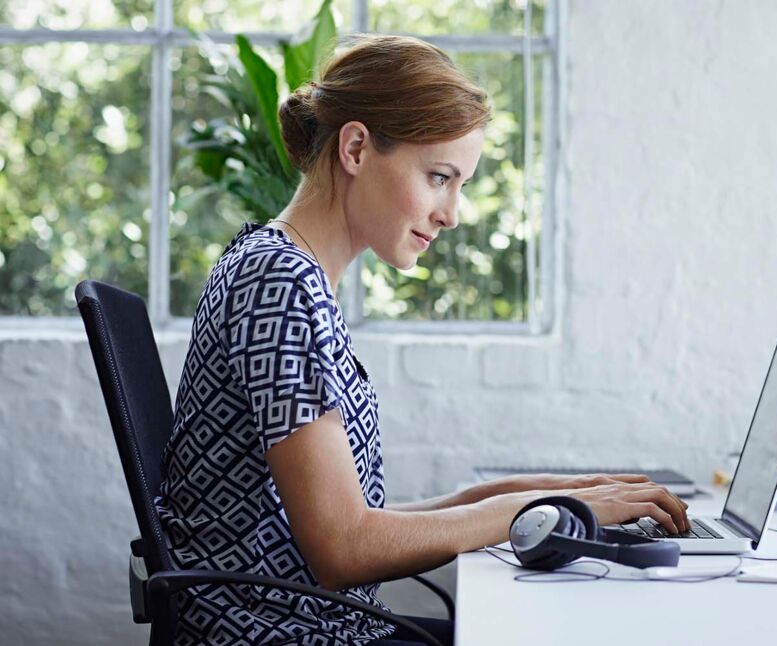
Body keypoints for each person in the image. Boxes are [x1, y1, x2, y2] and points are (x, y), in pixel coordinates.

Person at [155, 34, 690, 646]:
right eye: (440, 177)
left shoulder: (283, 268)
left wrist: (570, 495)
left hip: (309, 625)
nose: (452, 213)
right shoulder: (280, 282)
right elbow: (344, 547)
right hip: (282, 635)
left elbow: (360, 524)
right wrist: (550, 508)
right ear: (356, 147)